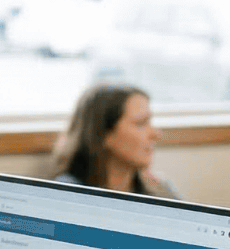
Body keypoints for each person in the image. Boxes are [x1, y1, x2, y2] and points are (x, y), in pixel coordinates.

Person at [49, 82, 177, 196]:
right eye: (140, 123)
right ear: (103, 134)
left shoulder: (159, 187)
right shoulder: (67, 194)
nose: (156, 134)